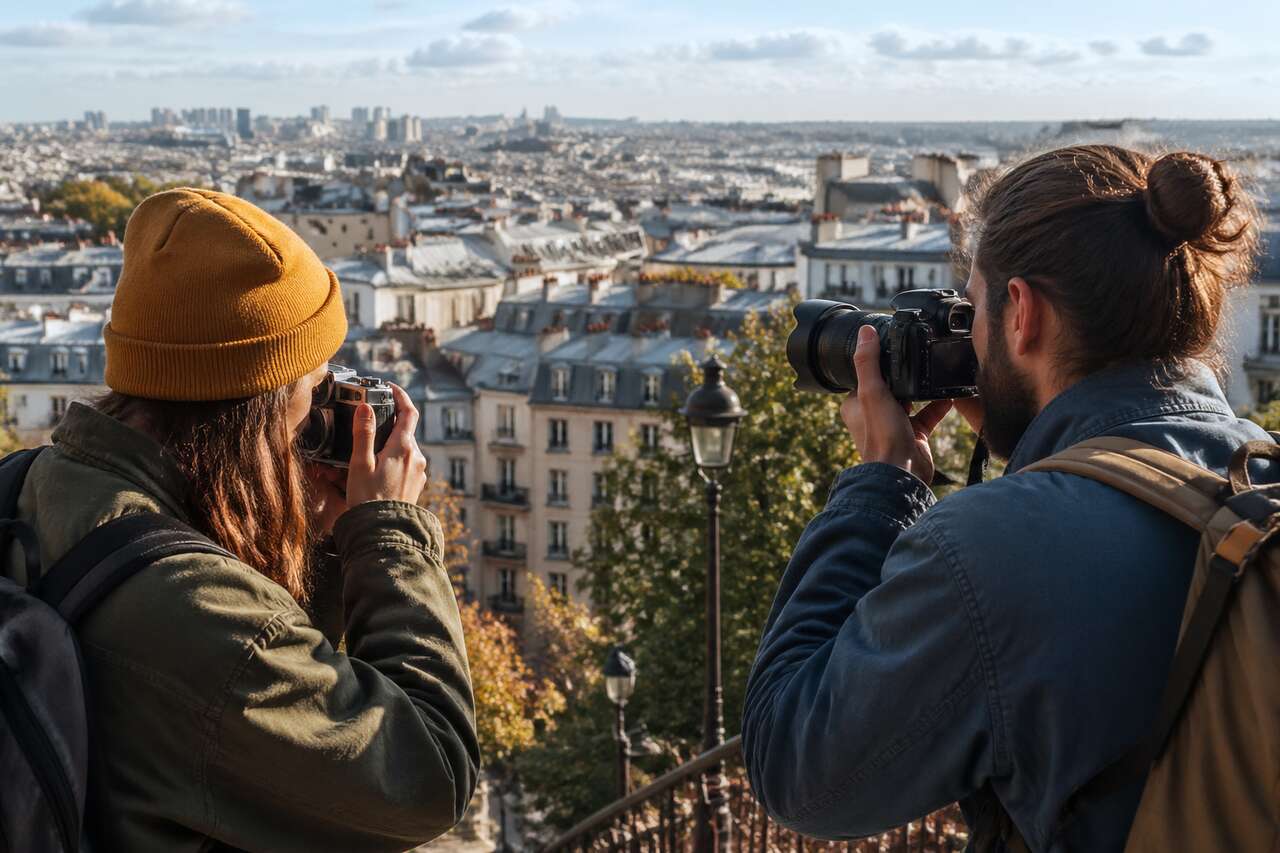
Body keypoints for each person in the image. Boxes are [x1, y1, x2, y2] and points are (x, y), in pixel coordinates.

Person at [741, 146, 1263, 851]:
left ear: (1021, 313)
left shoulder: (992, 552)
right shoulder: (1261, 475)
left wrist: (882, 482)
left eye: (975, 309)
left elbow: (793, 764)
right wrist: (1041, 455)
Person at [3, 188, 478, 851]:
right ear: (259, 408)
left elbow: (243, 734)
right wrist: (386, 532)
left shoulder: (35, 483)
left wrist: (307, 526)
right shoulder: (198, 613)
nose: (324, 411)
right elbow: (429, 772)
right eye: (316, 385)